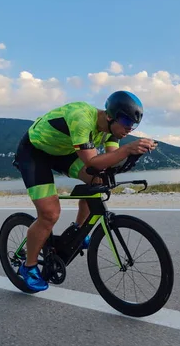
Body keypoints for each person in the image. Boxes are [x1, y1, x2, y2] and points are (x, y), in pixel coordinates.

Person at [13, 90, 157, 291]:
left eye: (132, 125)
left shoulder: (111, 130)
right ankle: (28, 267)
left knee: (98, 179)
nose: (128, 129)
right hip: (35, 152)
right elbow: (91, 160)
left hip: (64, 152)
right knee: (49, 214)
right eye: (125, 121)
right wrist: (128, 149)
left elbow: (109, 161)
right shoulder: (82, 117)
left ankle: (77, 232)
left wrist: (134, 154)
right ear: (109, 115)